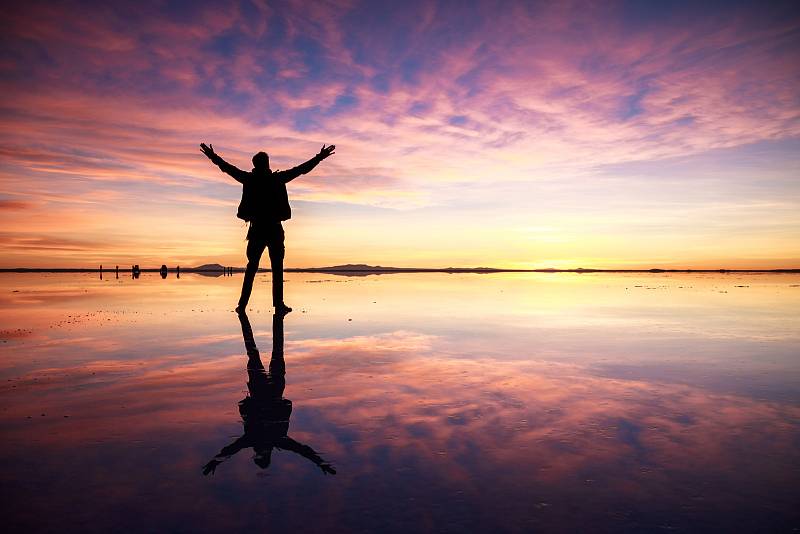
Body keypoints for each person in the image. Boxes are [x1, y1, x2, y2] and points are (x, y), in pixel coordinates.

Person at [200, 142, 335, 313]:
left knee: (252, 267)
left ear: (255, 164)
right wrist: (320, 157)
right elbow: (301, 169)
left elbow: (227, 168)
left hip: (257, 229)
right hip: (273, 229)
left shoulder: (249, 178)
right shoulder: (276, 179)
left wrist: (212, 156)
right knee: (276, 268)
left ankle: (242, 305)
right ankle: (276, 305)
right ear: (267, 164)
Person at [202, 311, 336, 476]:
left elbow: (231, 449)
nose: (261, 452)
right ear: (267, 454)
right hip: (273, 391)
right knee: (271, 352)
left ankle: (253, 316)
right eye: (262, 455)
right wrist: (320, 462)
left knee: (256, 352)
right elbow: (302, 450)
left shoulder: (253, 438)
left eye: (258, 455)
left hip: (260, 390)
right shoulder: (275, 440)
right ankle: (274, 316)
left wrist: (216, 460)